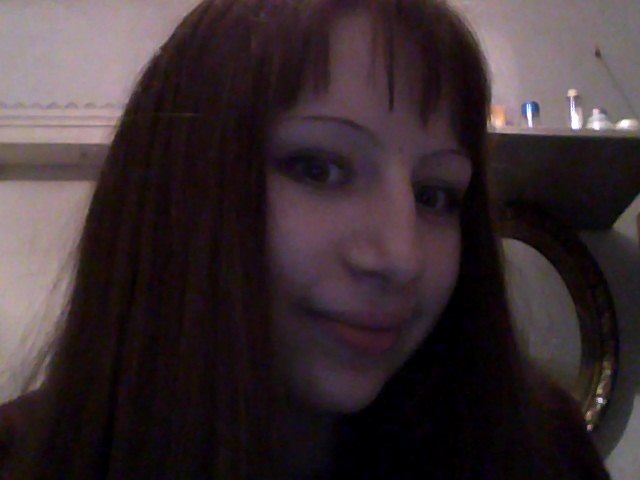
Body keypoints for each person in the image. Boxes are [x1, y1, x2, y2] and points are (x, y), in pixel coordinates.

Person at [0, 0, 611, 478]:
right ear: (179, 185)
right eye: (318, 168)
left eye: (434, 195)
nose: (400, 258)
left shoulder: (539, 451)